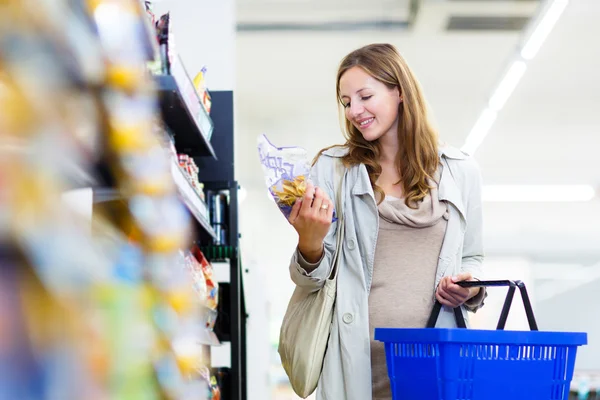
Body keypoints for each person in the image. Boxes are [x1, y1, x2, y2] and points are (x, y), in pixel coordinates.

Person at [285, 43, 486, 400]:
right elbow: (312, 280)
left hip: (436, 367)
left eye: (365, 96)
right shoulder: (334, 170)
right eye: (346, 102)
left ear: (400, 92)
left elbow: (472, 259)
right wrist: (309, 241)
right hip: (355, 365)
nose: (354, 111)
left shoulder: (461, 171)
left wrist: (469, 289)